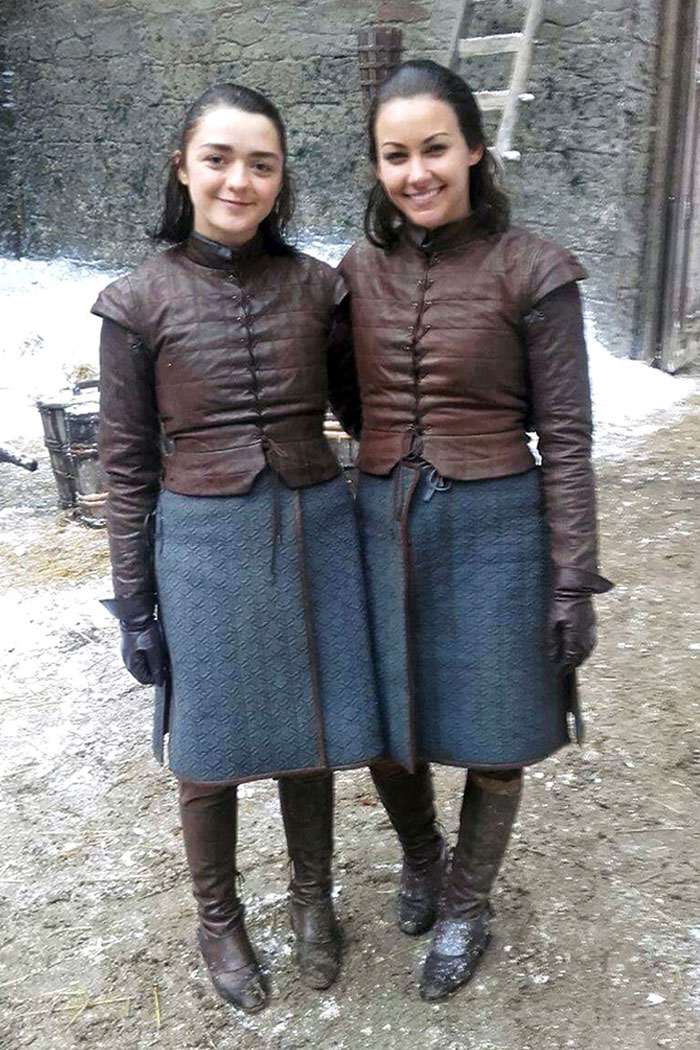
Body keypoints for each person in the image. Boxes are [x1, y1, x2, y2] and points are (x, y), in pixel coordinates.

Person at [92, 83, 383, 1014]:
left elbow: (368, 414)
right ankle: (217, 920)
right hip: (201, 546)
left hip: (312, 531)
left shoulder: (319, 289)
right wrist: (136, 606)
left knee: (310, 735)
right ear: (183, 165)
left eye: (262, 164)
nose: (239, 181)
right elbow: (126, 467)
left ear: (281, 177)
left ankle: (311, 899)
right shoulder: (136, 304)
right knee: (207, 750)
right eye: (218, 159)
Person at [332, 60, 612, 1001]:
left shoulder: (536, 270)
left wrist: (572, 578)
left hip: (498, 530)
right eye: (395, 155)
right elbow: (349, 394)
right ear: (378, 165)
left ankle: (466, 902)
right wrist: (388, 451)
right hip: (379, 523)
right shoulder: (356, 272)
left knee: (497, 731)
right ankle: (422, 857)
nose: (417, 172)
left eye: (435, 149)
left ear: (475, 150)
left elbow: (566, 436)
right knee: (385, 723)